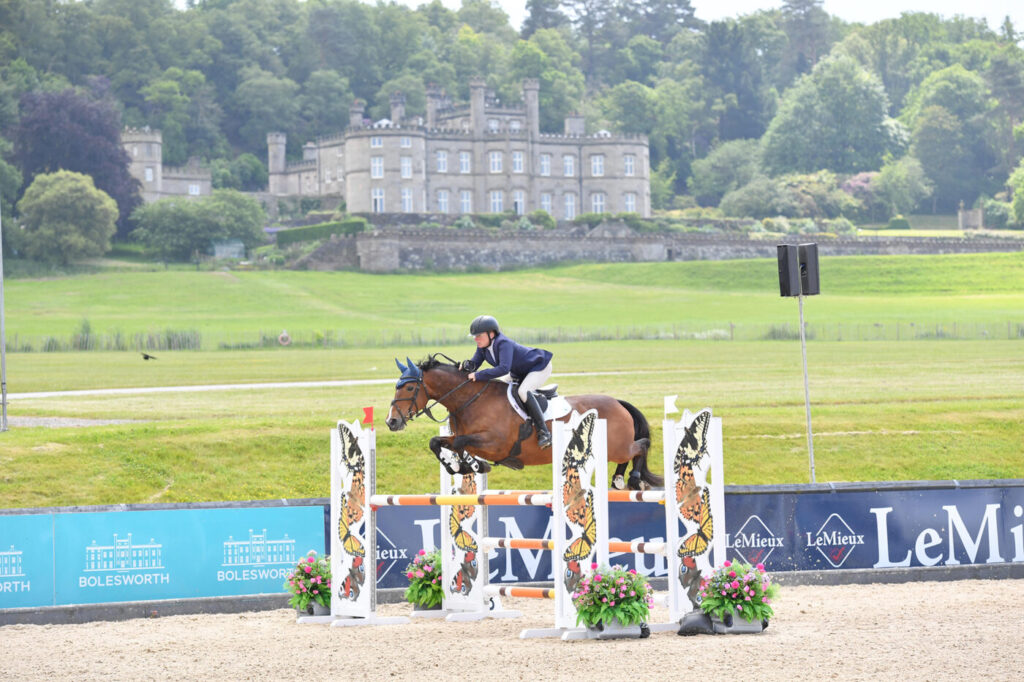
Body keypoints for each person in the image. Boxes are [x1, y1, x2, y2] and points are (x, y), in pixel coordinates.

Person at [461, 315, 553, 448]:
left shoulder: (503, 343)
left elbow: (504, 368)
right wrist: (465, 367)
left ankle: (544, 432)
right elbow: (474, 363)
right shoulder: (482, 347)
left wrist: (478, 374)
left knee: (523, 391)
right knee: (497, 387)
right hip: (519, 372)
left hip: (538, 367)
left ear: (491, 334)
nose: (476, 339)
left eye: (479, 335)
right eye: (474, 336)